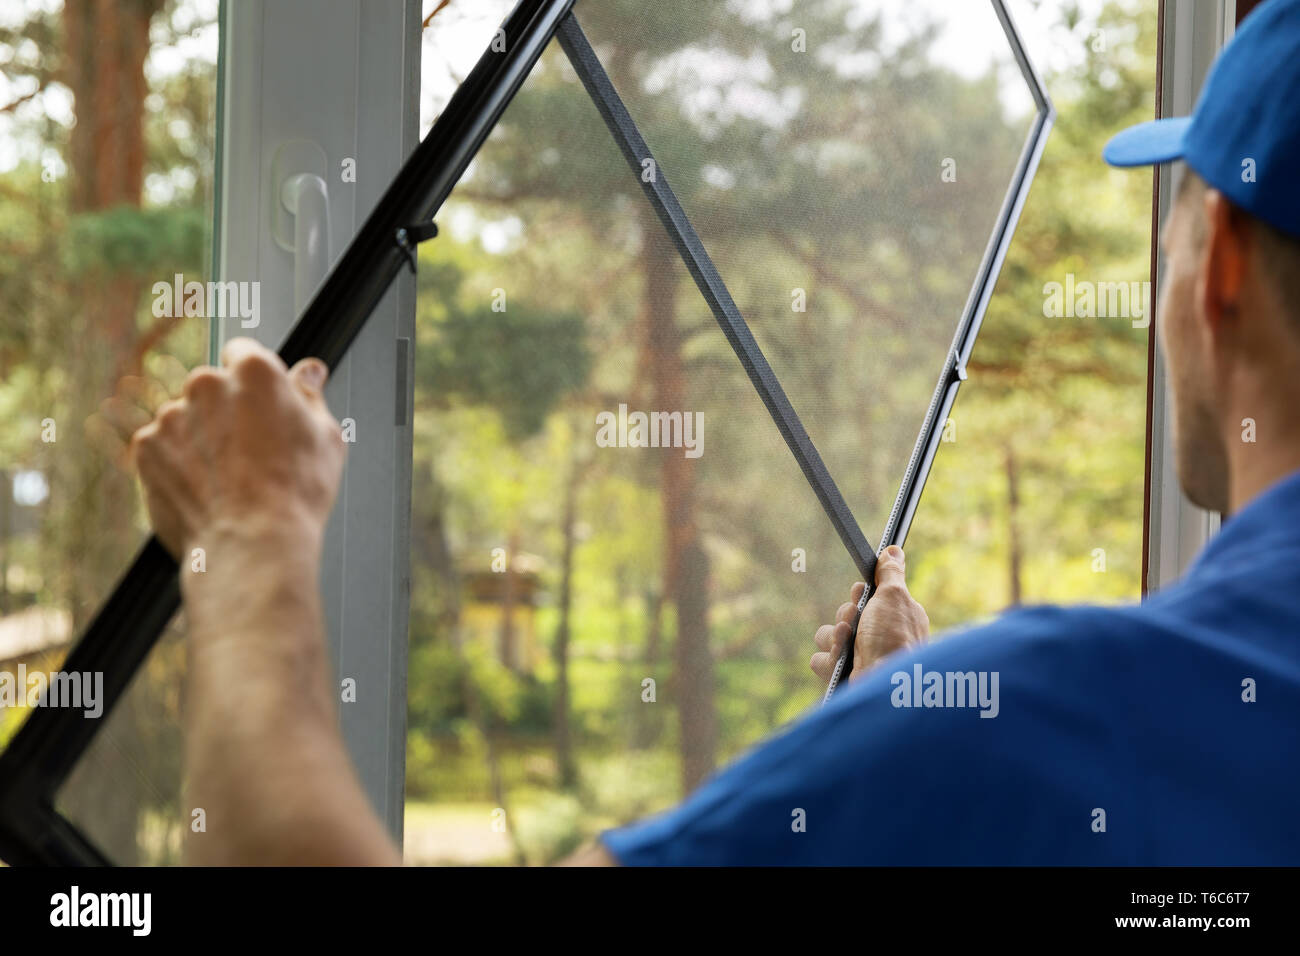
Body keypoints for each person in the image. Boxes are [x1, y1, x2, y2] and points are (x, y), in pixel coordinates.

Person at [130, 0, 1300, 865]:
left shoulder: (1068, 720)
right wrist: (888, 735)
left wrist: (249, 541)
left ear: (1221, 272)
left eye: (1174, 227)